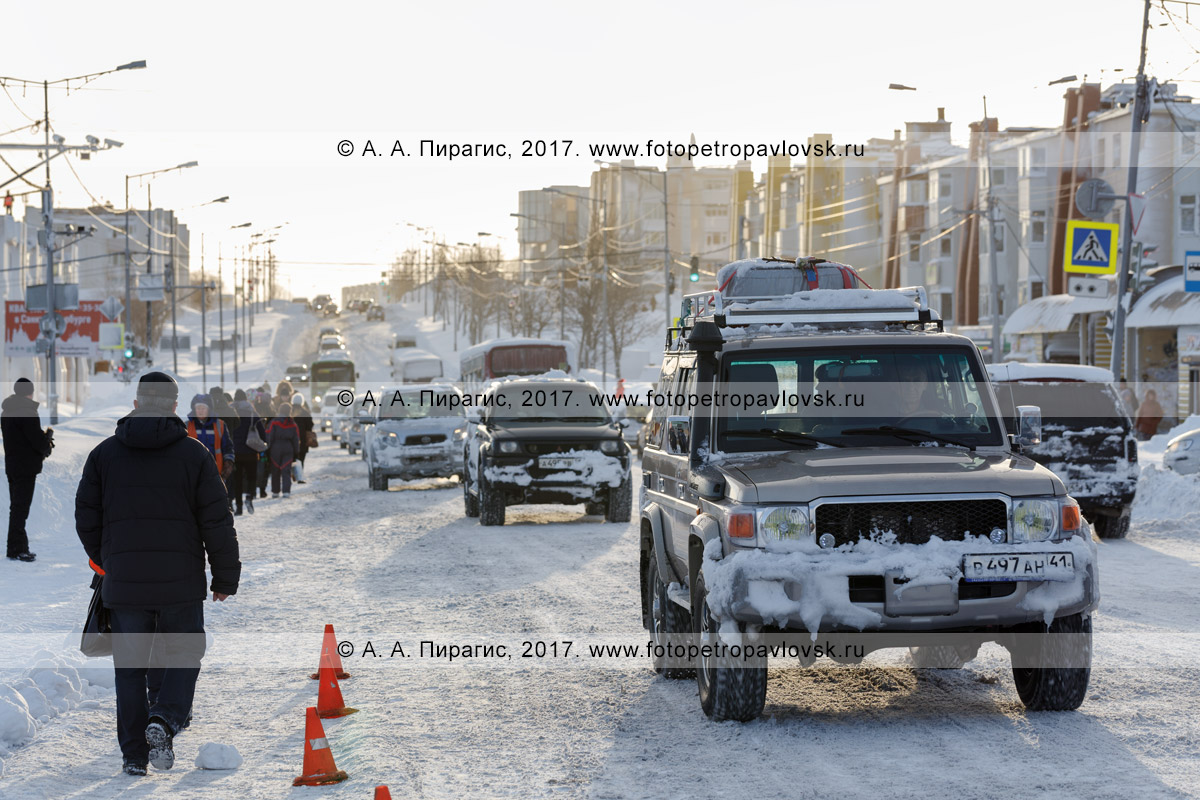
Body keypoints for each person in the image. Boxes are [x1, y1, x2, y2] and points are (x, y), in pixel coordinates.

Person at [75, 372, 240, 776]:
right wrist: (224, 577)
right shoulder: (195, 454)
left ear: (135, 404)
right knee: (183, 653)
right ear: (173, 407)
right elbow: (216, 520)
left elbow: (86, 517)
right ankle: (164, 718)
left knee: (130, 668)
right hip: (180, 583)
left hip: (125, 584)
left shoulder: (104, 455)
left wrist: (109, 560)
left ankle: (134, 756)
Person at [2, 378, 53, 562]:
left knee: (16, 508)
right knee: (20, 509)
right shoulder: (27, 412)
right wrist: (46, 443)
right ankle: (17, 549)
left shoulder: (7, 410)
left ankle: (15, 547)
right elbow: (36, 441)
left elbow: (18, 438)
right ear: (29, 392)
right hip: (26, 467)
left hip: (12, 466)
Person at [229, 389, 266, 515]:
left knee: (237, 479)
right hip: (251, 451)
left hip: (235, 452)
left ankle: (238, 507)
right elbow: (262, 432)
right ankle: (249, 496)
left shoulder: (231, 413)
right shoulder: (252, 412)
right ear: (245, 399)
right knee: (251, 477)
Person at [186, 395, 235, 483]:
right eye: (198, 408)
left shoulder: (220, 425)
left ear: (209, 409)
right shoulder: (187, 426)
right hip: (193, 474)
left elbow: (227, 446)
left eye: (203, 408)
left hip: (216, 473)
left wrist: (228, 463)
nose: (200, 411)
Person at [265, 403, 300, 498]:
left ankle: (275, 491)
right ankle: (286, 491)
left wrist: (268, 448)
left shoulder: (274, 421)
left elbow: (269, 435)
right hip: (288, 447)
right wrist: (296, 452)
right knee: (286, 469)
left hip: (275, 448)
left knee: (275, 469)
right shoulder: (292, 423)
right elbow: (296, 439)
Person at [251, 390, 275, 499]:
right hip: (265, 444)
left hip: (254, 442)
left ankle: (254, 490)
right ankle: (262, 490)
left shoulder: (255, 409)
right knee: (264, 467)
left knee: (255, 467)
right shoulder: (271, 411)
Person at [291, 392, 314, 482]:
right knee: (301, 459)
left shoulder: (290, 411)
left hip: (291, 439)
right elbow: (310, 425)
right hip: (302, 440)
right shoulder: (305, 412)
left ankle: (293, 475)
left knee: (292, 458)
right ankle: (299, 477)